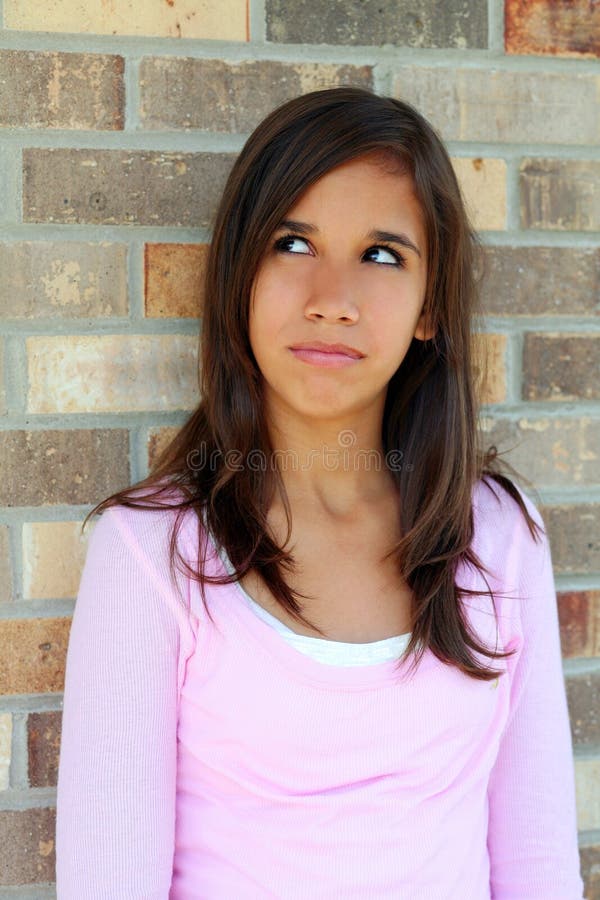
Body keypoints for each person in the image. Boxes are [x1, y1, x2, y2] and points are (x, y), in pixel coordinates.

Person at [55, 87, 585, 899]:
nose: (331, 299)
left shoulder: (501, 535)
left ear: (430, 307)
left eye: (381, 255)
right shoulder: (151, 552)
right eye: (293, 242)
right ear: (240, 274)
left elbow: (538, 864)